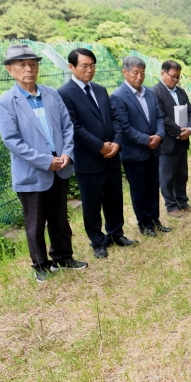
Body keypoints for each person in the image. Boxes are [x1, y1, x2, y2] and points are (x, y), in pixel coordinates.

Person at [0, 44, 88, 281]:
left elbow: (67, 126)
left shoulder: (51, 94)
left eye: (33, 64)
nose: (29, 69)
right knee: (35, 223)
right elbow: (12, 141)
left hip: (61, 167)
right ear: (10, 70)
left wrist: (67, 153)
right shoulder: (5, 102)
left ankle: (63, 257)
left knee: (59, 217)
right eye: (22, 65)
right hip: (33, 172)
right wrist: (46, 161)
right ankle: (41, 266)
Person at [58, 48, 136, 259]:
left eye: (92, 65)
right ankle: (97, 241)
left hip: (112, 155)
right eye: (84, 65)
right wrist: (100, 146)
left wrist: (117, 144)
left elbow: (115, 118)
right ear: (71, 67)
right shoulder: (65, 94)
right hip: (88, 158)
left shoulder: (100, 90)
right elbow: (73, 127)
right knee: (91, 203)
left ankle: (116, 233)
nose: (89, 70)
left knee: (114, 197)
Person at [111, 57, 170, 238]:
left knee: (153, 186)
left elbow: (159, 117)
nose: (139, 76)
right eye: (135, 72)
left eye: (142, 72)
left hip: (153, 149)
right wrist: (146, 139)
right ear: (125, 72)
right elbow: (124, 127)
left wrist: (159, 135)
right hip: (134, 152)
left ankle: (155, 220)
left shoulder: (149, 93)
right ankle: (144, 224)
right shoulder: (118, 96)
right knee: (139, 190)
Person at [152, 60, 191, 216]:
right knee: (167, 175)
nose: (175, 80)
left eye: (178, 77)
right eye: (173, 76)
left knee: (181, 173)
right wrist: (178, 132)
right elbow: (161, 117)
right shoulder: (155, 92)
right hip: (168, 141)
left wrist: (189, 129)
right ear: (163, 73)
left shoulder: (181, 92)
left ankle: (182, 201)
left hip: (183, 140)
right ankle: (171, 206)